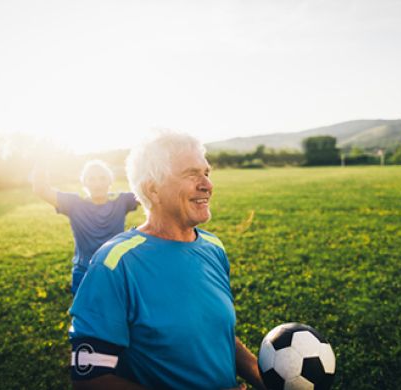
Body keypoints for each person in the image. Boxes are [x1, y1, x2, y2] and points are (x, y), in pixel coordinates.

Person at [68, 132, 266, 390]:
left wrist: (261, 377)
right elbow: (90, 380)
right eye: (192, 174)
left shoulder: (213, 247)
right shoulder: (115, 264)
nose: (207, 184)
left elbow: (215, 334)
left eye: (207, 173)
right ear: (153, 189)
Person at [32, 160, 138, 295]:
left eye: (102, 178)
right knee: (86, 315)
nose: (97, 183)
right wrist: (41, 161)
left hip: (115, 270)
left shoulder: (122, 200)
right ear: (84, 182)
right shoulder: (74, 203)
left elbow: (151, 193)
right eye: (91, 179)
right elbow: (41, 190)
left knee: (118, 314)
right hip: (84, 272)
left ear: (110, 181)